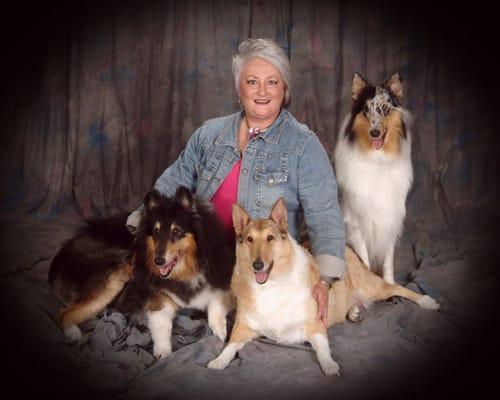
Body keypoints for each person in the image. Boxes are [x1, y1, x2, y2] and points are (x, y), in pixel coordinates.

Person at [127, 38, 346, 326]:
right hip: (199, 262)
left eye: (272, 82)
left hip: (257, 270)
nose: (263, 92)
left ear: (285, 89)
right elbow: (174, 179)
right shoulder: (210, 134)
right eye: (252, 82)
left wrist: (326, 281)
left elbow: (325, 213)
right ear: (238, 88)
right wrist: (140, 234)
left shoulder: (304, 145)